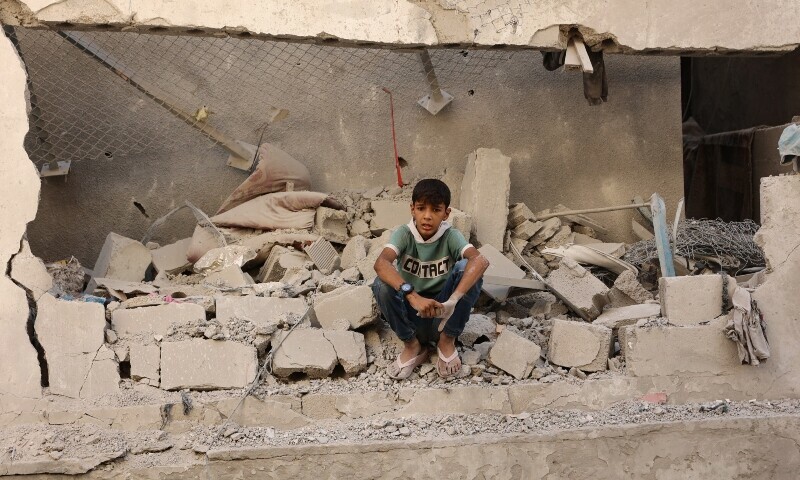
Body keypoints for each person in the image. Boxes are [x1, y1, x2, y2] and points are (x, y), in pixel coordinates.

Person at [372, 179, 489, 379]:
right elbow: (381, 263)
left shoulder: (450, 236)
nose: (427, 216)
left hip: (442, 315)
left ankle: (446, 340)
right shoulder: (404, 234)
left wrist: (452, 301)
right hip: (411, 314)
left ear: (446, 213)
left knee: (467, 268)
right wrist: (412, 296)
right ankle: (412, 344)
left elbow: (480, 260)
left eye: (435, 210)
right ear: (412, 209)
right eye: (421, 208)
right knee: (381, 283)